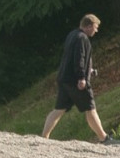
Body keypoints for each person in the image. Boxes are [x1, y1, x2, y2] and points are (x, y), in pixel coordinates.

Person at [41, 13, 110, 143]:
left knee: (59, 109)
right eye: (95, 27)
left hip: (64, 78)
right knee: (90, 108)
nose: (96, 31)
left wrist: (89, 70)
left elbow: (71, 58)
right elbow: (79, 58)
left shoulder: (72, 35)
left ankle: (44, 136)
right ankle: (104, 138)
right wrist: (82, 77)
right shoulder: (82, 38)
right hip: (75, 81)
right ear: (89, 26)